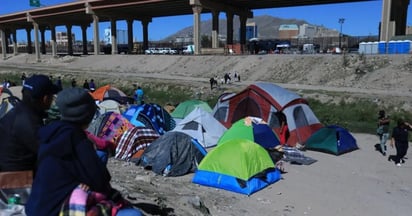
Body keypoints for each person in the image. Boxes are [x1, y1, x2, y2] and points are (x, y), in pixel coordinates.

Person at [26, 88, 142, 216]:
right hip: (58, 209)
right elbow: (100, 180)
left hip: (35, 206)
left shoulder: (48, 134)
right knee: (132, 214)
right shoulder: (76, 139)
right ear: (86, 115)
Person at [0, 74, 58, 172]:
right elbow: (49, 152)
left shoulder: (19, 111)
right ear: (45, 98)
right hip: (18, 180)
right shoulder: (28, 121)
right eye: (52, 96)